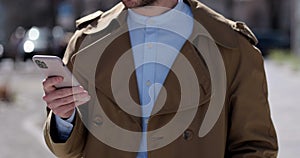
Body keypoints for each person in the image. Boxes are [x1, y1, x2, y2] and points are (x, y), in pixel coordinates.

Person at [42, 0, 278, 157]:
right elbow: (69, 151)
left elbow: (255, 148)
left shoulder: (233, 47)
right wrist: (64, 118)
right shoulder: (86, 41)